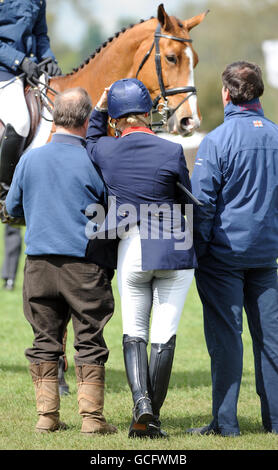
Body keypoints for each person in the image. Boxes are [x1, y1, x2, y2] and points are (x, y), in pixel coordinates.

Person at [86, 78, 197, 438]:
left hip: (131, 247)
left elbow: (90, 139)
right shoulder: (171, 150)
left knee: (134, 331)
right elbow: (185, 197)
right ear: (148, 114)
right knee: (164, 335)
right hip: (173, 246)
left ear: (117, 120)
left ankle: (142, 407)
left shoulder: (106, 150)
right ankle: (151, 420)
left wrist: (99, 108)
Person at [5, 87, 117, 435]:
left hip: (38, 264)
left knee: (44, 340)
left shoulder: (30, 158)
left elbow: (10, 209)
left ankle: (46, 417)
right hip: (84, 265)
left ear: (53, 116)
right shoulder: (95, 159)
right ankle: (92, 419)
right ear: (86, 121)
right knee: (89, 339)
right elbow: (110, 209)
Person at [189, 61, 278, 436]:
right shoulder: (275, 135)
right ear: (258, 92)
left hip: (223, 257)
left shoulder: (217, 140)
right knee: (271, 342)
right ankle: (274, 423)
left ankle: (226, 424)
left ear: (226, 94)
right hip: (267, 257)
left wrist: (201, 249)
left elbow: (201, 203)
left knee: (227, 341)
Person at [0, 0, 62, 205]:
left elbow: (40, 35)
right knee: (20, 121)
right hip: (5, 71)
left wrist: (49, 59)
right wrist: (20, 61)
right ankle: (4, 191)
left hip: (29, 69)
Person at [2, 225, 22, 290]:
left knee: (10, 257)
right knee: (13, 258)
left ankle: (8, 280)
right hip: (13, 235)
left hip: (10, 235)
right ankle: (9, 281)